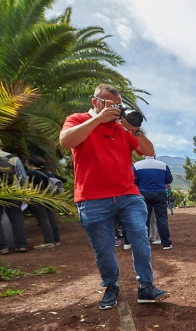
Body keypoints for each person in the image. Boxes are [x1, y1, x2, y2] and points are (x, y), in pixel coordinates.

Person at [59, 83, 169, 309]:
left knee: (140, 235)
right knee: (104, 247)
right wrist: (97, 119)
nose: (114, 109)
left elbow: (148, 151)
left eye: (117, 105)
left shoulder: (121, 130)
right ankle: (111, 286)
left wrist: (135, 130)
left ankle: (146, 287)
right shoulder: (78, 120)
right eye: (109, 104)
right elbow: (66, 141)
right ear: (95, 102)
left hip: (128, 194)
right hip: (92, 198)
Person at [133, 155, 173, 250]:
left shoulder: (136, 165)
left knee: (144, 219)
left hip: (144, 193)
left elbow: (134, 180)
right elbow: (169, 180)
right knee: (162, 218)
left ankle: (144, 243)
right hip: (159, 193)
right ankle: (166, 243)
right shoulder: (163, 165)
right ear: (154, 155)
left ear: (143, 155)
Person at [25, 156, 65, 249]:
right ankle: (56, 240)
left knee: (43, 219)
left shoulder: (31, 174)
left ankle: (48, 241)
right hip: (50, 197)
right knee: (51, 218)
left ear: (31, 164)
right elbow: (63, 179)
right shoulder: (48, 173)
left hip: (38, 198)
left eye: (26, 163)